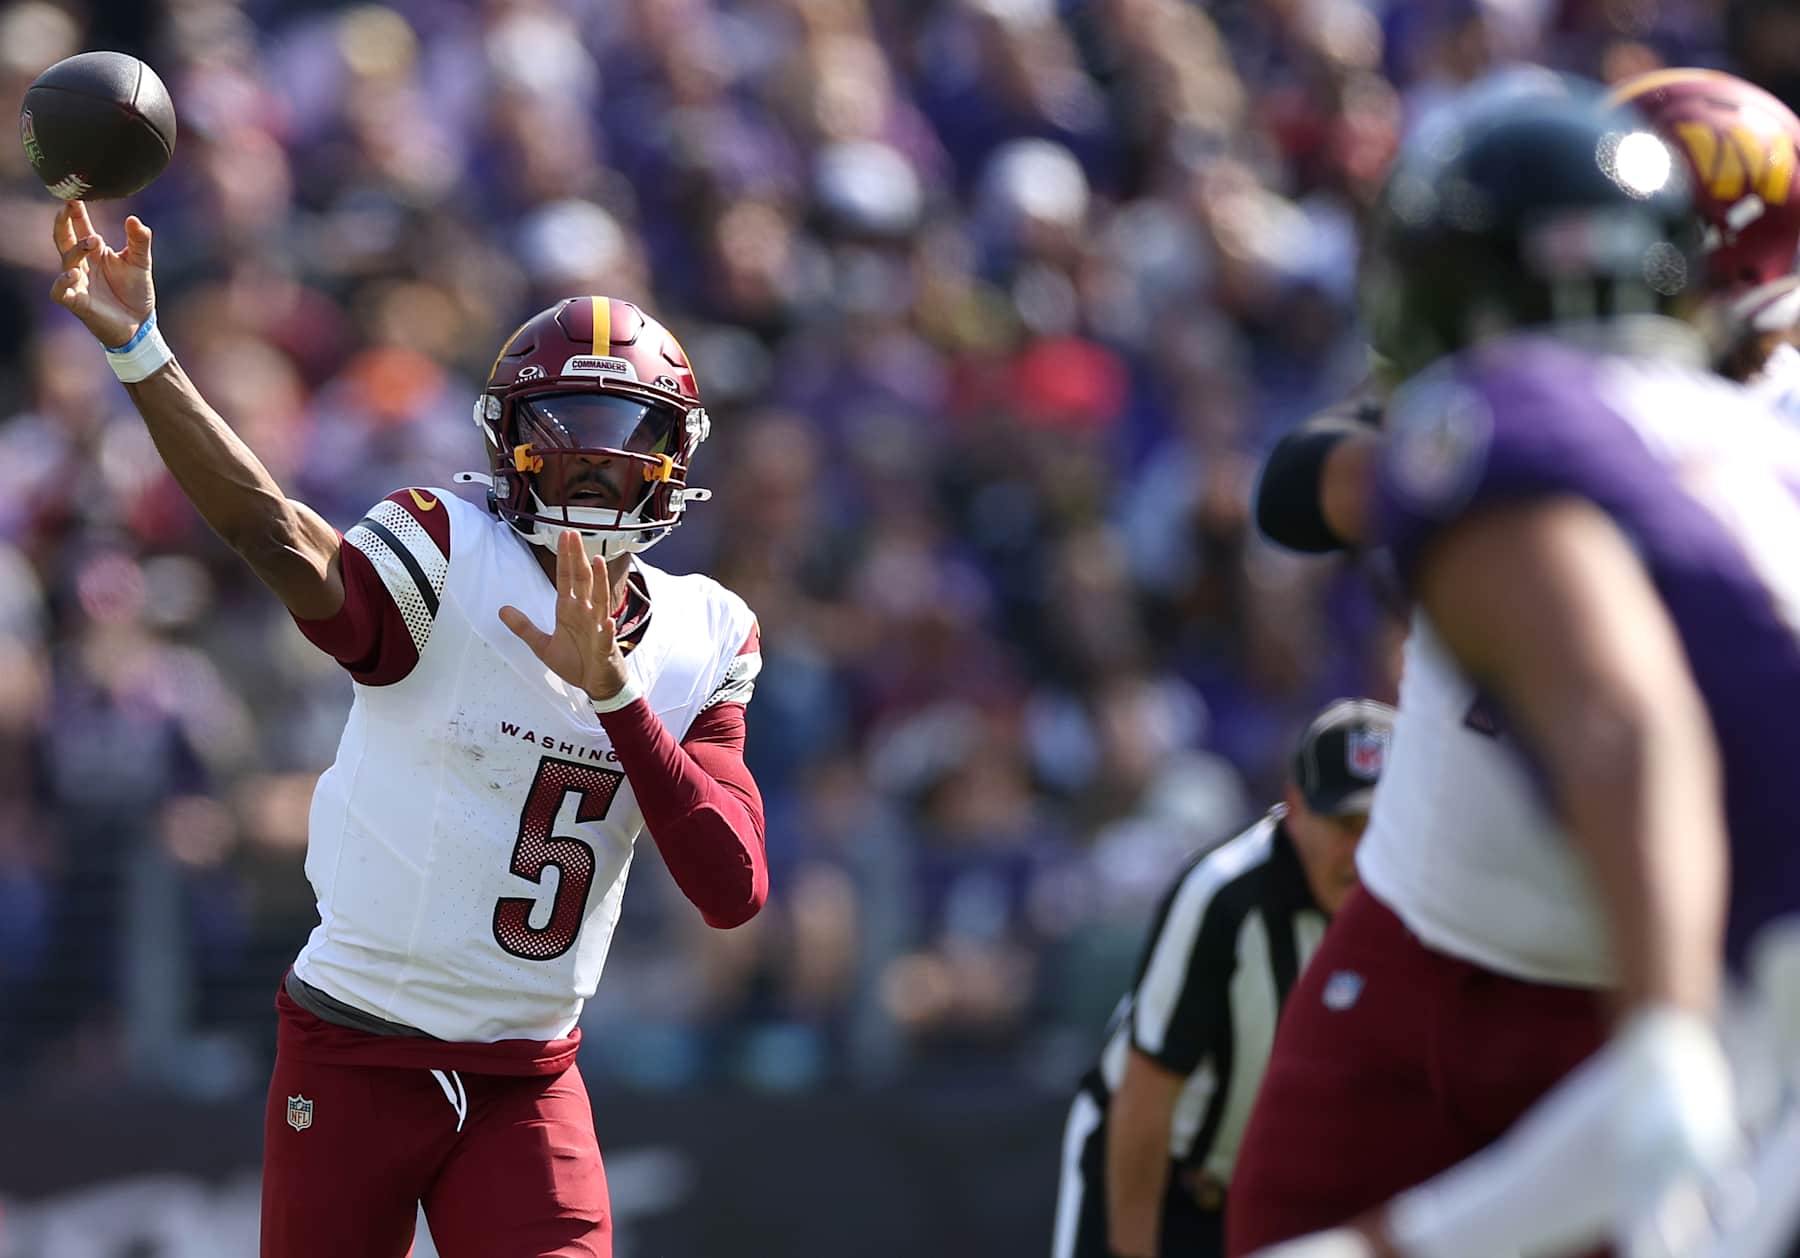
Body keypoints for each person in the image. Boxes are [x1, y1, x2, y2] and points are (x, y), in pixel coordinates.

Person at [46, 199, 768, 1258]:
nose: (596, 474)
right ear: (510, 449)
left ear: (673, 460)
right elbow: (276, 536)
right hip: (354, 1046)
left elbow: (732, 886)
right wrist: (142, 349)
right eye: (568, 442)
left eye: (627, 445)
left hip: (531, 1071)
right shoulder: (446, 544)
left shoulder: (706, 630)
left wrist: (615, 697)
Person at [1230, 66, 1800, 1255]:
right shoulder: (1706, 436)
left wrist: (1664, 1023)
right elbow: (1302, 486)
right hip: (1509, 940)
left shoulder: (1511, 420)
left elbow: (1621, 719)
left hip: (1684, 970)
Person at [1053, 698, 1396, 1258]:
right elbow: (1144, 1098)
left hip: (1277, 1191)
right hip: (1156, 1170)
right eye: (1343, 823)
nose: (1359, 852)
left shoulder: (1417, 907)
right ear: (1295, 807)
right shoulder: (1224, 897)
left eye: (1378, 823)